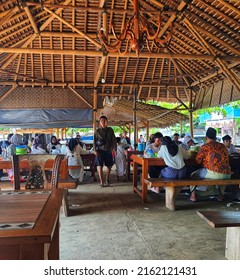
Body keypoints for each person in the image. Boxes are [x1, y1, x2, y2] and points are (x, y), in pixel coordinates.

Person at [190, 127, 231, 202]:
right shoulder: (223, 146)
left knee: (193, 175)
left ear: (206, 137)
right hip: (227, 174)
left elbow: (198, 161)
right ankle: (221, 195)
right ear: (215, 137)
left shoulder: (205, 147)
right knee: (222, 173)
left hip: (213, 173)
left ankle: (193, 195)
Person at [93, 115, 117, 187]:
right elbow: (94, 141)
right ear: (99, 122)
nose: (103, 122)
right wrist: (94, 150)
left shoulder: (110, 130)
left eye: (105, 121)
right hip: (99, 151)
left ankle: (107, 179)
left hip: (108, 150)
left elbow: (114, 140)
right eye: (101, 121)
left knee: (109, 166)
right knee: (99, 165)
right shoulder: (97, 131)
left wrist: (114, 149)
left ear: (107, 122)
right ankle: (101, 181)